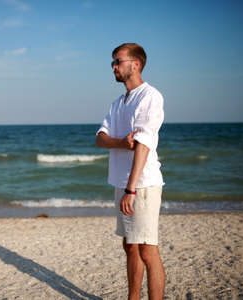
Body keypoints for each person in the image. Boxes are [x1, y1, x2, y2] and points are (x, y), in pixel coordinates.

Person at [96, 43, 165, 300]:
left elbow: (144, 144)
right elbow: (100, 138)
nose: (114, 66)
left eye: (118, 61)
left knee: (148, 250)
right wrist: (121, 142)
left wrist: (131, 189)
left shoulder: (150, 96)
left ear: (135, 64)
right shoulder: (117, 103)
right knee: (130, 246)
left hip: (142, 185)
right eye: (113, 62)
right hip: (122, 183)